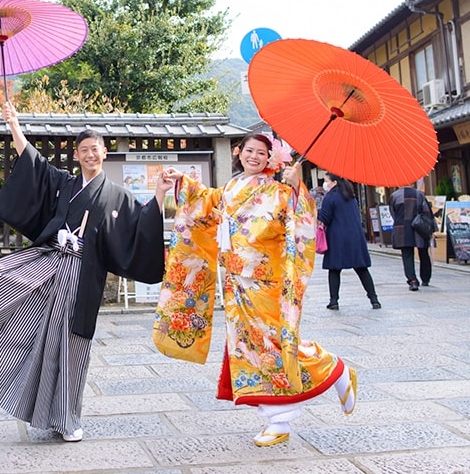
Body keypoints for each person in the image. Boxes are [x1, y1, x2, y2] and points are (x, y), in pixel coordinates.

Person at [0, 101, 169, 442]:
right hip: (48, 259)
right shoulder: (64, 182)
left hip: (80, 275)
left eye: (96, 149)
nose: (90, 155)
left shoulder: (118, 196)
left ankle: (67, 419)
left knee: (67, 343)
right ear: (77, 155)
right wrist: (14, 125)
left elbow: (143, 224)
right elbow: (33, 162)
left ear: (105, 153)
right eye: (84, 150)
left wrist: (161, 194)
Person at [153, 133, 357, 448]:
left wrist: (297, 187)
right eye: (249, 150)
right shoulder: (233, 187)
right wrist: (183, 181)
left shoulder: (279, 191)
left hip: (266, 283)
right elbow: (206, 203)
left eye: (261, 153)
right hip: (236, 283)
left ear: (271, 159)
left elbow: (302, 217)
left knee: (272, 346)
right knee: (250, 348)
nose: (254, 156)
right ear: (239, 153)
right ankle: (294, 402)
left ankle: (299, 401)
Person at [318, 172, 380, 310]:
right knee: (361, 269)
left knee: (334, 269)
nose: (325, 184)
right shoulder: (350, 196)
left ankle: (334, 301)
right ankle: (374, 299)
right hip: (355, 237)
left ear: (334, 182)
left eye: (326, 181)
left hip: (336, 237)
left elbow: (325, 218)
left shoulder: (330, 197)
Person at [390, 182, 433, 290]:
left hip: (402, 228)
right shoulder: (419, 195)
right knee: (423, 252)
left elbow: (393, 213)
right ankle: (425, 278)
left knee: (407, 254)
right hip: (419, 227)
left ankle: (412, 280)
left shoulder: (394, 196)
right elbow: (427, 212)